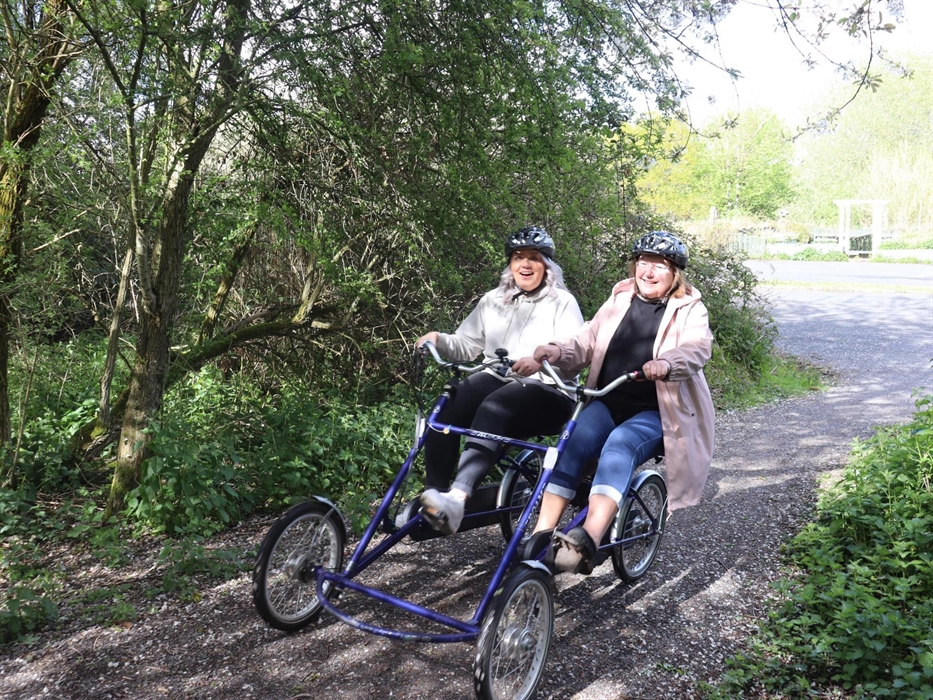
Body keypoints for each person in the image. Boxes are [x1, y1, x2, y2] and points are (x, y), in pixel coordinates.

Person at [523, 230, 714, 574]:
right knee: (572, 442)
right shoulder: (619, 299)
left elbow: (697, 348)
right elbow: (586, 341)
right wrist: (555, 351)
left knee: (618, 448)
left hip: (658, 412)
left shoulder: (690, 310)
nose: (649, 271)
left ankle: (587, 540)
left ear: (674, 274)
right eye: (644, 262)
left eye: (660, 265)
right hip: (609, 400)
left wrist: (668, 363)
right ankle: (542, 534)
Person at [414, 226, 584, 535]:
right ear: (510, 264)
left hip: (550, 390)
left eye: (534, 258)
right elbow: (467, 344)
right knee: (450, 404)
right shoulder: (493, 300)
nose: (525, 265)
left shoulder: (563, 302)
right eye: (518, 258)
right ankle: (434, 500)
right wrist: (438, 339)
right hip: (498, 377)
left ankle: (458, 496)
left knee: (493, 407)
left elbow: (577, 355)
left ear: (547, 265)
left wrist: (543, 358)